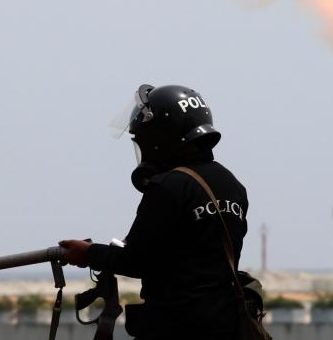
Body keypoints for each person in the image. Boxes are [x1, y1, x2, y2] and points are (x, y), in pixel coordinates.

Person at [59, 84, 249, 340]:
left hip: (176, 327)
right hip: (226, 326)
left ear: (161, 137)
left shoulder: (168, 187)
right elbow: (195, 252)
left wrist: (87, 253)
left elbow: (136, 261)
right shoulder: (232, 185)